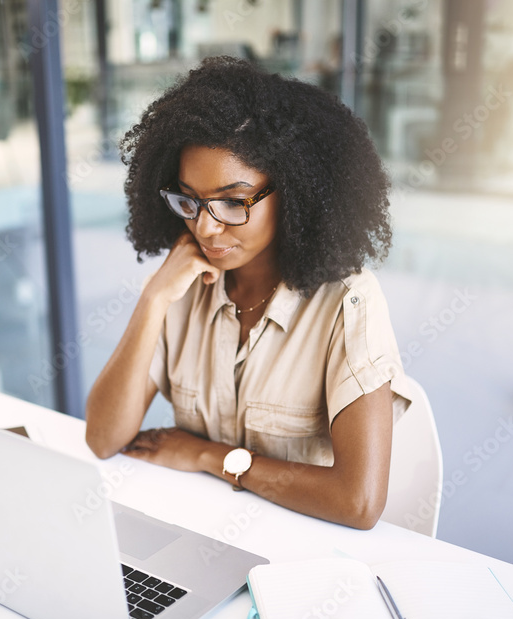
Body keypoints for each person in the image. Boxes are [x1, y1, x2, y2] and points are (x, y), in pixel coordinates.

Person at [85, 57, 411, 530]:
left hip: (301, 557)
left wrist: (207, 455)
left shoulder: (347, 301)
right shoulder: (182, 285)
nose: (205, 226)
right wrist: (153, 299)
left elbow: (358, 502)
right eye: (189, 201)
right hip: (199, 530)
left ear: (296, 191)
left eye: (233, 203)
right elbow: (102, 438)